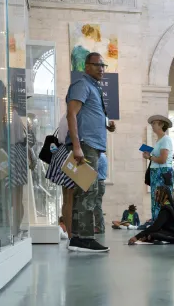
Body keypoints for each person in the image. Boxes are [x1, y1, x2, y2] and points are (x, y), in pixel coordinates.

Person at [65, 52, 116, 252]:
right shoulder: (82, 85)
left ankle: (78, 237)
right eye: (97, 65)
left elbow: (89, 114)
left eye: (103, 65)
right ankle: (84, 238)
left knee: (85, 190)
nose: (101, 69)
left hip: (92, 145)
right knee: (89, 190)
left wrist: (106, 124)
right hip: (85, 145)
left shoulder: (94, 87)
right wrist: (77, 146)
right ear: (86, 66)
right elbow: (71, 113)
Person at [143, 115, 174, 221]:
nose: (152, 125)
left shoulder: (165, 140)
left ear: (161, 124)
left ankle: (161, 223)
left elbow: (163, 159)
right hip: (156, 172)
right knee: (156, 199)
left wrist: (150, 157)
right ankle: (157, 222)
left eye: (154, 123)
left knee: (161, 199)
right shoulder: (159, 141)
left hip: (162, 172)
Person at [93, 153, 108, 234]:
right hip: (99, 183)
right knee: (96, 205)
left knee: (97, 206)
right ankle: (99, 226)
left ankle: (99, 227)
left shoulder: (100, 156)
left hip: (98, 182)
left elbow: (93, 168)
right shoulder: (102, 156)